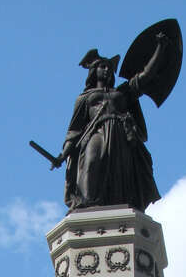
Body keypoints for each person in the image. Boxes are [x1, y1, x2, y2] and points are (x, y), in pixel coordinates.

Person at [52, 33, 170, 212]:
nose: (107, 70)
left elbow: (146, 75)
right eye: (102, 67)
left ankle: (120, 203)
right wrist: (63, 154)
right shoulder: (85, 98)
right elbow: (74, 130)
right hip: (97, 133)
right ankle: (87, 203)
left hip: (121, 135)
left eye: (109, 68)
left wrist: (160, 47)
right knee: (91, 160)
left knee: (122, 173)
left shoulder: (123, 92)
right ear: (94, 71)